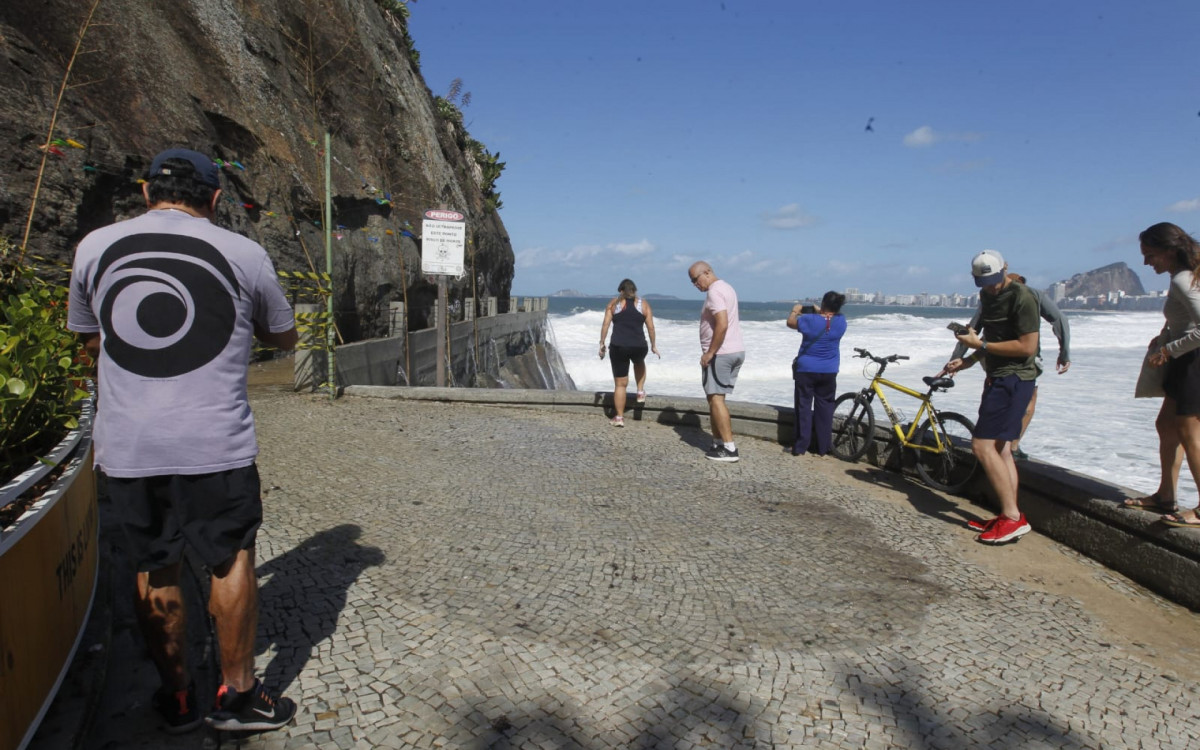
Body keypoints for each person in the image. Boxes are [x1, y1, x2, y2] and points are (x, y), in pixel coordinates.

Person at [67, 148, 299, 733]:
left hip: (129, 445)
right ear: (216, 199)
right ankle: (239, 698)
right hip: (214, 441)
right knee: (229, 558)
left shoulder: (94, 247)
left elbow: (91, 337)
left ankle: (176, 699)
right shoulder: (245, 253)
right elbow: (283, 335)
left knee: (153, 564)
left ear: (146, 193)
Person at [940, 250, 1041, 544]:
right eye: (985, 282)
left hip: (1015, 379)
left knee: (982, 446)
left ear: (1005, 269)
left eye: (996, 280)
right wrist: (969, 359)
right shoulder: (986, 296)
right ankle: (1010, 515)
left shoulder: (1023, 297)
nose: (992, 286)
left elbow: (1027, 347)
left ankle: (1012, 518)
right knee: (1001, 448)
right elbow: (992, 342)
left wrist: (979, 342)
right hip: (997, 376)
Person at [1125, 223, 1200, 527]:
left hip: (1193, 361)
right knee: (1166, 425)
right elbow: (1185, 320)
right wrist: (1164, 336)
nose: (1146, 262)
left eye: (1150, 255)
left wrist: (1170, 349)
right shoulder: (1184, 277)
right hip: (1186, 359)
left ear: (1169, 251)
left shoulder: (1183, 279)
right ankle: (1165, 495)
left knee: (1188, 430)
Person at [949, 272, 1071, 458]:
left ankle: (992, 439)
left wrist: (959, 358)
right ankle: (1010, 446)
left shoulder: (991, 296)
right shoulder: (1031, 295)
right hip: (1021, 361)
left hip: (989, 354)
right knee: (1028, 403)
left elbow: (973, 329)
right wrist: (1064, 352)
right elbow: (1060, 319)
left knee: (992, 396)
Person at [688, 261, 746, 462]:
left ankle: (729, 448)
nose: (695, 284)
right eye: (692, 282)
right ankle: (718, 442)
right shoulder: (727, 287)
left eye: (696, 279)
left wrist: (710, 352)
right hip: (734, 350)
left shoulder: (714, 292)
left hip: (721, 353)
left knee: (716, 399)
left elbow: (721, 323)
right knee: (715, 398)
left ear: (707, 272)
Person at [787, 291, 848, 456]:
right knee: (826, 408)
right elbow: (828, 320)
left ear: (823, 303)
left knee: (804, 407)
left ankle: (801, 447)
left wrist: (795, 310)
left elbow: (790, 323)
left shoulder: (808, 319)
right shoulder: (842, 322)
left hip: (806, 369)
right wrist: (820, 311)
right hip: (829, 370)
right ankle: (823, 447)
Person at [598, 278, 659, 426]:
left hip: (618, 346)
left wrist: (602, 342)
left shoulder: (614, 304)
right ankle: (640, 391)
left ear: (621, 291)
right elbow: (651, 327)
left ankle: (619, 417)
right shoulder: (643, 304)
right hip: (639, 345)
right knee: (639, 362)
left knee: (620, 384)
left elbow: (606, 324)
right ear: (634, 291)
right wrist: (653, 345)